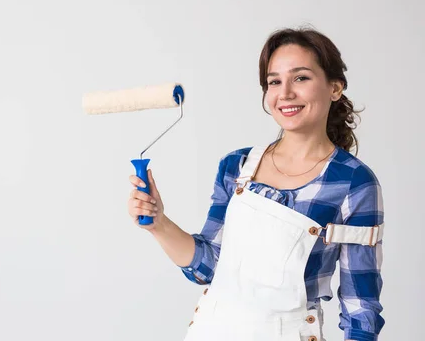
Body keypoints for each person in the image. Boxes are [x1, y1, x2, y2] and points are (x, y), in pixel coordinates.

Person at [127, 27, 384, 341]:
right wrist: (158, 223)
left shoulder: (353, 182)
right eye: (274, 81)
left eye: (301, 78)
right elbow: (208, 268)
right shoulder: (236, 166)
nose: (285, 93)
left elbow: (361, 308)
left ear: (334, 87)